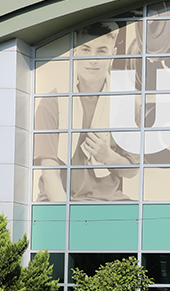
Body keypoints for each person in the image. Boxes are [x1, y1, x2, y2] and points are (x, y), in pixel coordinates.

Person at [35, 21, 139, 202]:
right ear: (75, 52)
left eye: (101, 51)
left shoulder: (125, 103)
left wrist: (107, 156)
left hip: (109, 202)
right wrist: (66, 219)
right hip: (61, 202)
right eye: (85, 50)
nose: (93, 59)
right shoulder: (53, 102)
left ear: (112, 55)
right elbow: (50, 172)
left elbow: (132, 169)